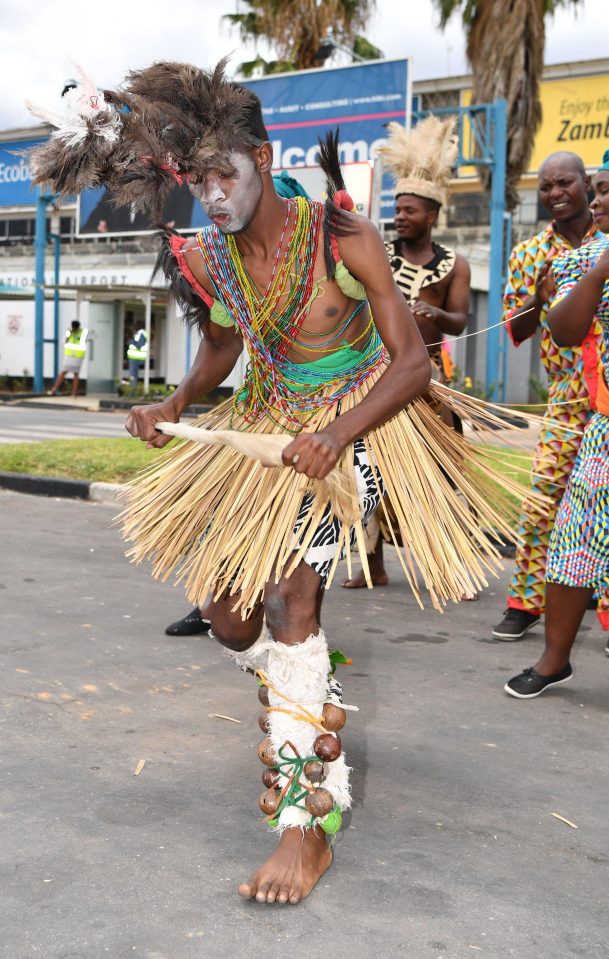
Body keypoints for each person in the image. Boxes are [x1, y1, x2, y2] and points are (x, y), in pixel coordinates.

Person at [28, 59, 531, 904]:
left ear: (263, 156)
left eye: (226, 174)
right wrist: (176, 399)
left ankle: (304, 822)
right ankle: (302, 683)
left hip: (359, 419)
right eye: (198, 180)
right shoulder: (218, 256)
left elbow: (410, 363)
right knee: (227, 617)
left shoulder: (341, 236)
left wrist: (335, 435)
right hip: (266, 425)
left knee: (296, 592)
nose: (213, 194)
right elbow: (226, 341)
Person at [342, 116, 471, 589]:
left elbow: (461, 319)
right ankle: (372, 564)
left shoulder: (456, 265)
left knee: (436, 479)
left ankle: (447, 565)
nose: (400, 216)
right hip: (380, 377)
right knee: (368, 470)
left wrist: (434, 317)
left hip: (430, 384)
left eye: (410, 210)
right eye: (397, 209)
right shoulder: (377, 254)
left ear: (432, 215)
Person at [504, 152, 609, 698]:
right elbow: (526, 328)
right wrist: (540, 297)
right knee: (550, 506)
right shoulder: (540, 256)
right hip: (576, 404)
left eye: (565, 183)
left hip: (598, 400)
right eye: (546, 187)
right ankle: (527, 610)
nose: (557, 193)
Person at [47, 320, 88, 396]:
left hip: (78, 356)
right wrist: (69, 334)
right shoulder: (68, 332)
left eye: (76, 328)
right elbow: (64, 341)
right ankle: (54, 389)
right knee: (63, 372)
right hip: (69, 356)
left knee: (76, 374)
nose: (75, 329)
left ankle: (74, 393)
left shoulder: (83, 332)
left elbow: (89, 337)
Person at [126, 320, 149, 387]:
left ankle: (132, 391)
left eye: (136, 325)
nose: (134, 326)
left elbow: (139, 345)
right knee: (133, 375)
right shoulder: (140, 334)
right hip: (135, 358)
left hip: (136, 358)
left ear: (140, 326)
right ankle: (133, 389)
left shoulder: (141, 334)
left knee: (133, 376)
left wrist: (130, 341)